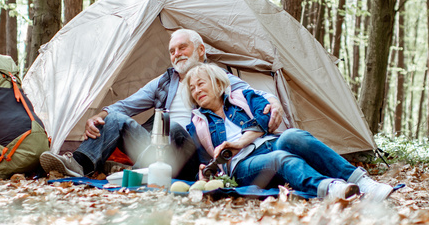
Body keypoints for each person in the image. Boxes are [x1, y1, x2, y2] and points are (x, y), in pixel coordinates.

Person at [39, 29, 283, 180]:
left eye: (182, 47)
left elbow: (252, 93)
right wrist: (99, 116)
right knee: (114, 118)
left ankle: (133, 174)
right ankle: (78, 165)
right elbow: (126, 104)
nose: (177, 54)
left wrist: (274, 102)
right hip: (157, 147)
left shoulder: (215, 77)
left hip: (192, 154)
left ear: (200, 50)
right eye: (172, 51)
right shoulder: (165, 81)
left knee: (174, 128)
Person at [185, 63, 393, 201]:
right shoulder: (197, 124)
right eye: (192, 88)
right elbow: (201, 161)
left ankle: (362, 181)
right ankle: (330, 188)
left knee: (293, 136)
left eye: (201, 83)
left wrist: (240, 141)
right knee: (280, 158)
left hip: (268, 142)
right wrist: (203, 172)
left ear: (217, 83)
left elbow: (265, 119)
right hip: (242, 165)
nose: (197, 90)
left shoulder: (242, 96)